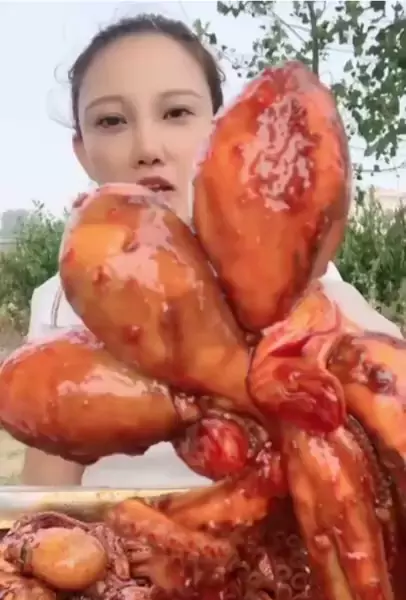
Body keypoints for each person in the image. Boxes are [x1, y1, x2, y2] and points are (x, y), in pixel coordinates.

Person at [21, 13, 403, 487]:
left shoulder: (301, 285)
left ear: (216, 133)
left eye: (176, 113)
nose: (147, 146)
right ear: (82, 150)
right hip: (120, 531)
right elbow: (45, 492)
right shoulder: (61, 305)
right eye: (111, 121)